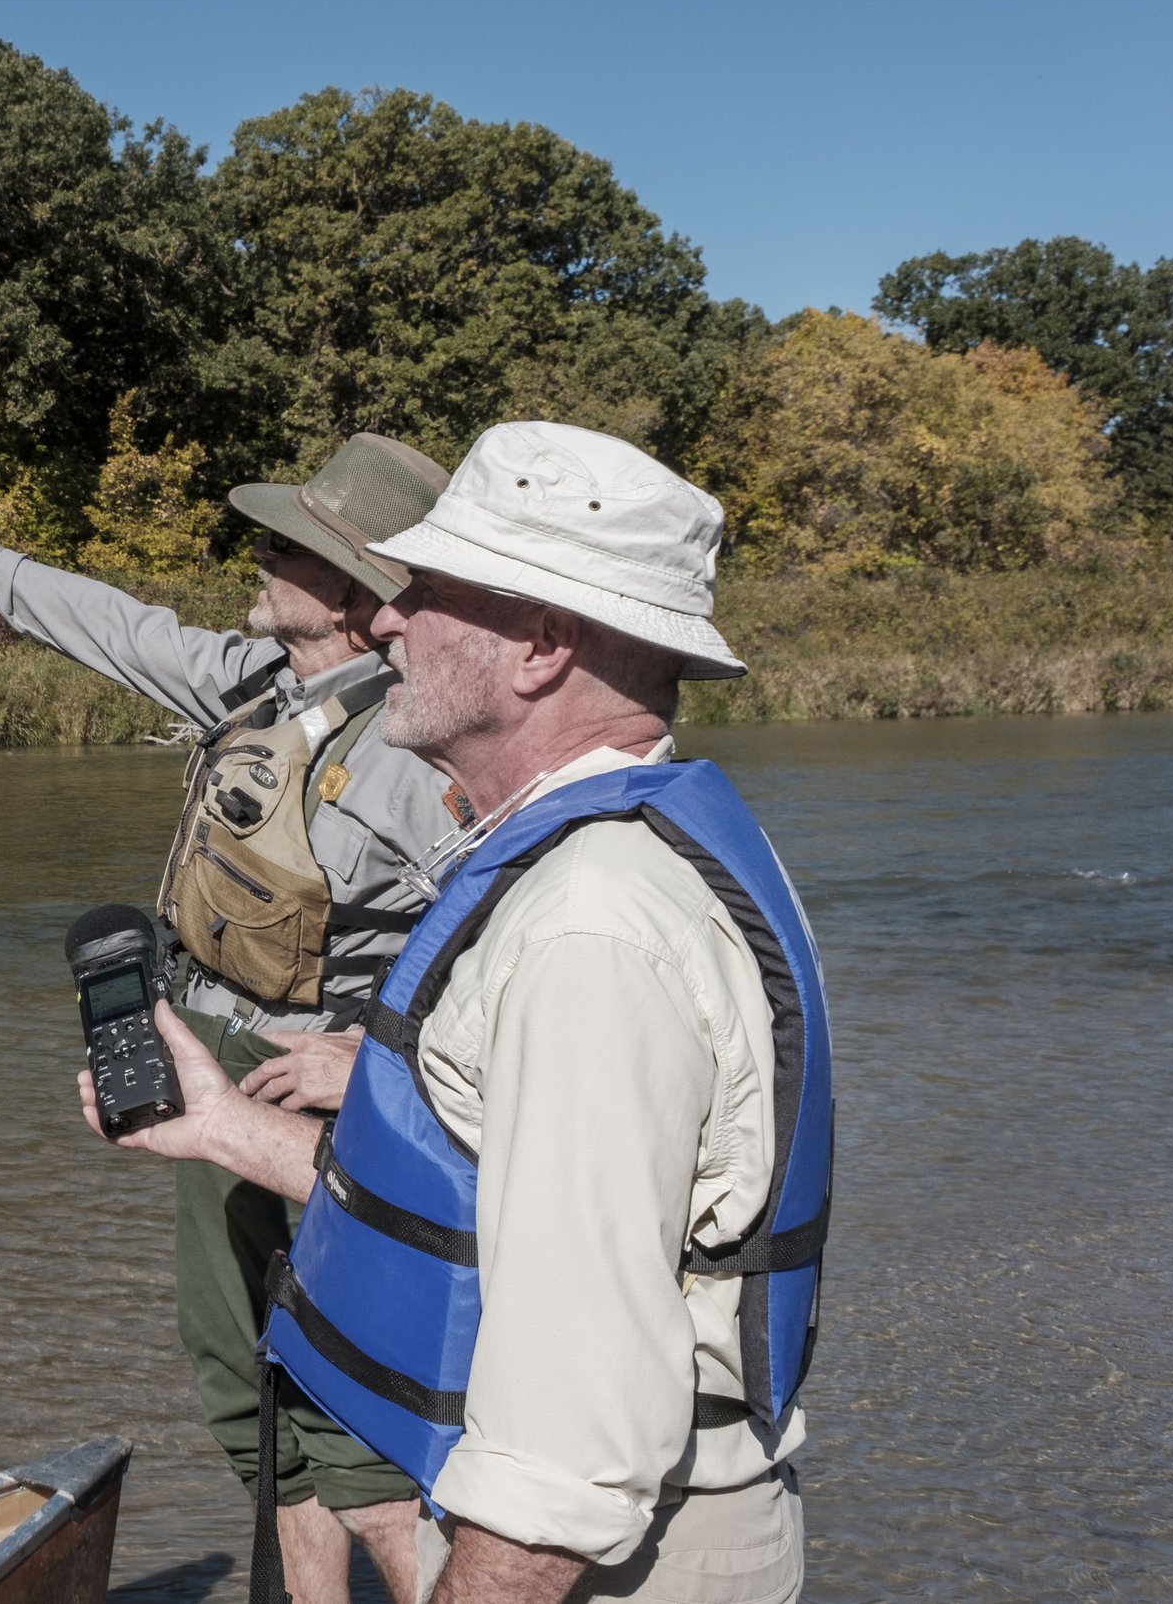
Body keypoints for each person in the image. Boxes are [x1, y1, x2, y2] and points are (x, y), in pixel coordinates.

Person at [86, 421, 831, 1604]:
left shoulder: (587, 924)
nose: (383, 618)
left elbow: (565, 1458)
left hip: (606, 1559)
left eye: (424, 591)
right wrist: (222, 1124)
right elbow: (494, 1201)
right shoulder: (623, 850)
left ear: (539, 644)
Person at [0, 440, 469, 1602]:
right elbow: (112, 624)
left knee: (358, 1417)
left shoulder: (410, 748)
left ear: (348, 591)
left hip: (334, 1081)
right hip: (211, 1060)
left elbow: (501, 929)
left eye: (286, 544)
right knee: (247, 1382)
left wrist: (385, 1051)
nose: (261, 552)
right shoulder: (249, 682)